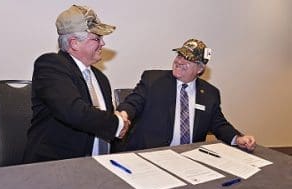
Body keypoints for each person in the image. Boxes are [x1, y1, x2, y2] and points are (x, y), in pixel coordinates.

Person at [23, 5, 129, 163]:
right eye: (97, 38)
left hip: (101, 169)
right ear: (74, 43)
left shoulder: (101, 79)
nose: (103, 43)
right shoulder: (51, 66)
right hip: (56, 169)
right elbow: (74, 111)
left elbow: (103, 123)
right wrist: (118, 123)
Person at [111, 38, 256, 153]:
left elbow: (219, 124)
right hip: (150, 154)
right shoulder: (152, 80)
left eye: (188, 59)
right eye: (179, 55)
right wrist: (123, 113)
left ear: (200, 68)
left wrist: (238, 138)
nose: (179, 61)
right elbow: (133, 102)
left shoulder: (210, 93)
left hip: (189, 158)